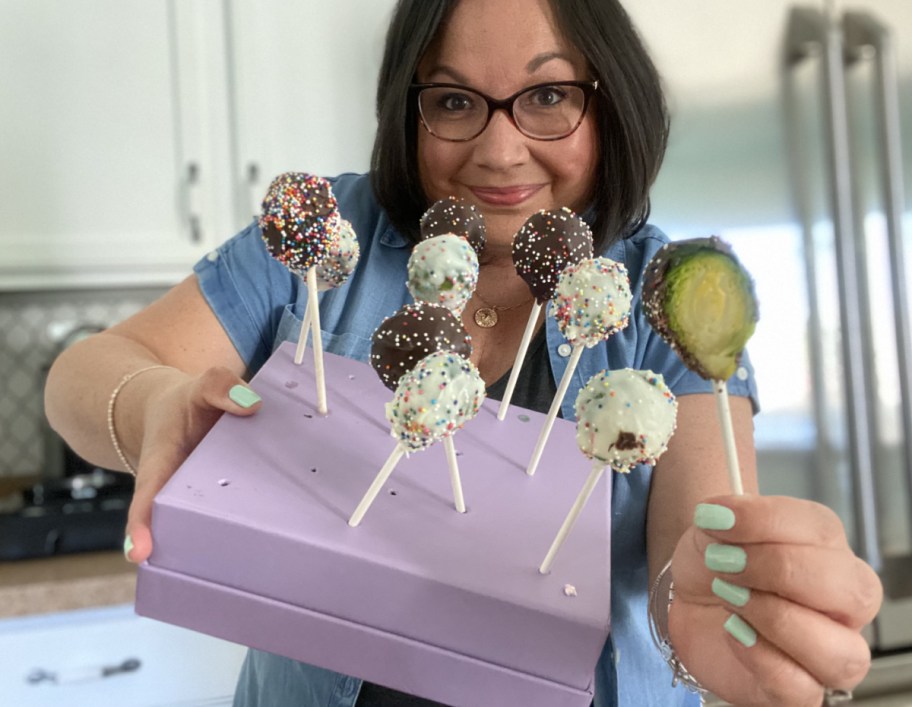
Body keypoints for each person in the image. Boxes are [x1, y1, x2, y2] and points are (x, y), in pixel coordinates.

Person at [45, 0, 882, 705]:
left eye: (549, 94)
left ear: (611, 100)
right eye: (452, 102)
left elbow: (685, 557)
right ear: (408, 108)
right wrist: (153, 403)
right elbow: (84, 374)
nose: (500, 149)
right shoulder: (329, 238)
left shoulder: (657, 298)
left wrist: (708, 600)